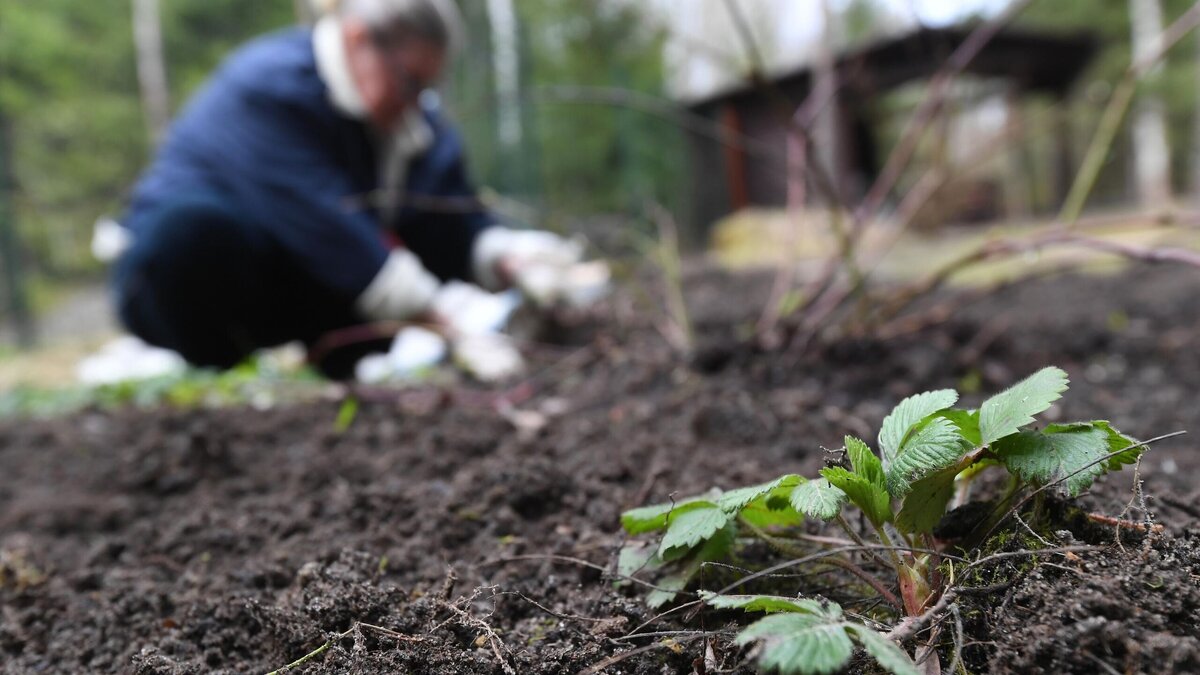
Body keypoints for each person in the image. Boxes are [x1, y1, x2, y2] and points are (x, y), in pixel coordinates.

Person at [111, 0, 576, 377]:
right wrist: (451, 324)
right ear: (357, 39)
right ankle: (209, 366)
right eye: (409, 81)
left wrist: (512, 258)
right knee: (194, 232)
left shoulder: (409, 127)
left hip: (293, 285)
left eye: (427, 88)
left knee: (381, 260)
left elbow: (451, 219)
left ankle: (339, 370)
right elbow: (329, 231)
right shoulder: (269, 90)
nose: (416, 102)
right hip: (174, 286)